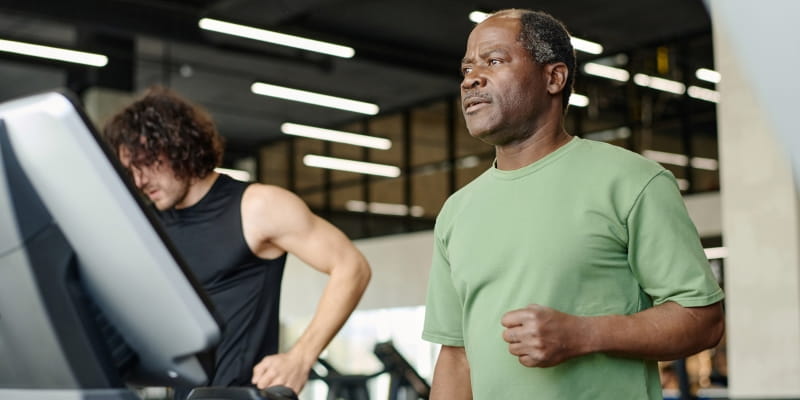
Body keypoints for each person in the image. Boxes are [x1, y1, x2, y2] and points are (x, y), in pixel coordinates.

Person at [421, 9, 724, 399]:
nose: (471, 80)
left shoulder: (633, 181)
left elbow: (704, 320)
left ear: (554, 77)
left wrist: (585, 334)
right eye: (466, 69)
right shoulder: (456, 212)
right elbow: (456, 357)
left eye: (494, 61)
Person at [102, 86, 371, 396]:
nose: (139, 180)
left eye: (146, 163)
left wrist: (301, 356)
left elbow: (352, 266)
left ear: (179, 145)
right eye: (131, 170)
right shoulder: (150, 224)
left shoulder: (258, 206)